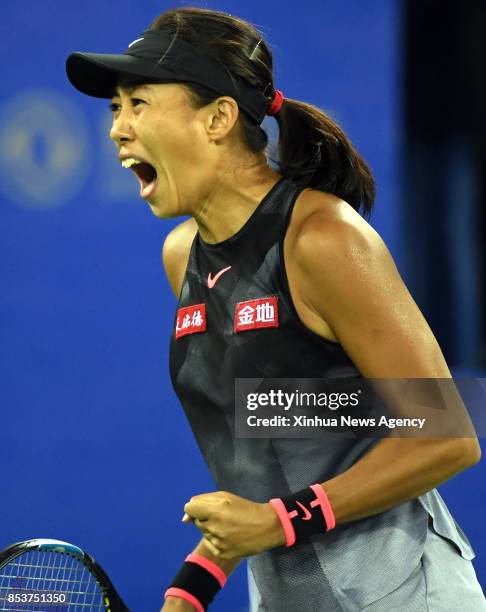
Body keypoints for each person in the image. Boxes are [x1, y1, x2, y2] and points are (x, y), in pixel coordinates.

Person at [66, 7, 485, 611]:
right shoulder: (182, 256)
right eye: (115, 108)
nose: (118, 128)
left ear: (218, 117)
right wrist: (194, 585)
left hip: (406, 594)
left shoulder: (322, 238)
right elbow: (273, 450)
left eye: (139, 103)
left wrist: (281, 521)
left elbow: (450, 435)